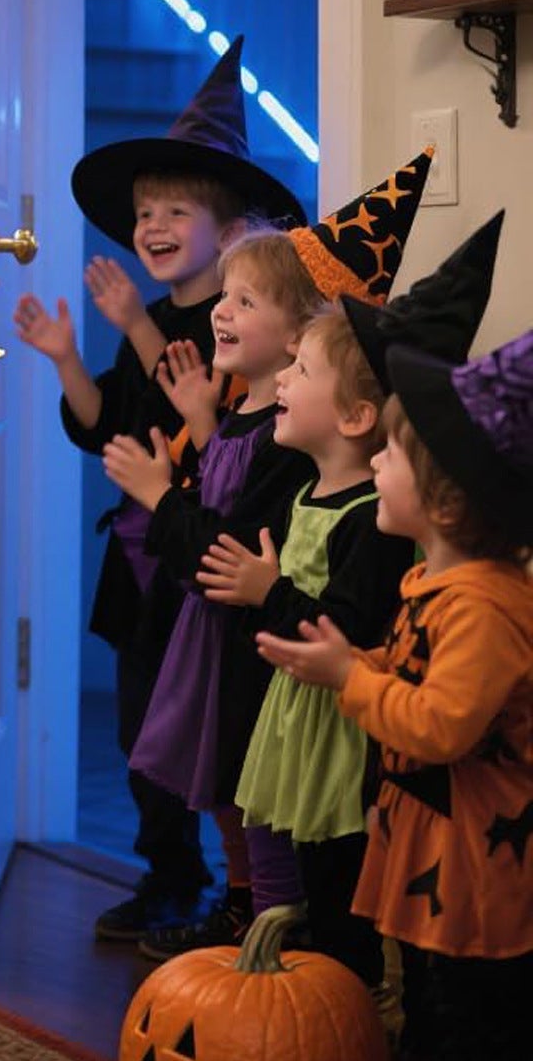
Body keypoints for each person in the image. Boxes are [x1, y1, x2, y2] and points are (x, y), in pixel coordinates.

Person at [107, 150, 433, 960]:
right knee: (241, 794)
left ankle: (285, 943)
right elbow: (231, 499)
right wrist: (200, 423)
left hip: (277, 660)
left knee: (274, 813)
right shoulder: (258, 418)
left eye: (243, 300)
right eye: (225, 295)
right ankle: (257, 919)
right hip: (242, 639)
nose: (222, 311)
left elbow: (228, 530)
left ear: (298, 343)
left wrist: (159, 494)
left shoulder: (312, 464)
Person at [12, 39, 303, 945]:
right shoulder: (161, 312)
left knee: (204, 736)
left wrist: (138, 324)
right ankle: (167, 875)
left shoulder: (239, 328)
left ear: (232, 227)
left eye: (178, 209)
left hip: (196, 551)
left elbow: (206, 437)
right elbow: (112, 428)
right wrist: (67, 361)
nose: (154, 224)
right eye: (145, 212)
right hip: (139, 561)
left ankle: (233, 891)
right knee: (144, 737)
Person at [257, 326, 532, 1061]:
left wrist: (352, 678)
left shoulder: (484, 604)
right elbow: (414, 676)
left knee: (489, 1008)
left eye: (394, 457)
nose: (376, 461)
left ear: (446, 501)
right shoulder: (434, 583)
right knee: (443, 987)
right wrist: (362, 659)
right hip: (443, 839)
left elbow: (445, 722)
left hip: (487, 853)